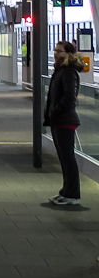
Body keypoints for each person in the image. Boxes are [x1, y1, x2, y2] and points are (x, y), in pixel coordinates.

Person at [44, 40, 84, 205]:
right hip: (58, 119)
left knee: (68, 158)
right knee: (63, 157)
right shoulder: (61, 70)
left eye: (60, 51)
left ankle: (72, 194)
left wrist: (56, 111)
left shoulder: (68, 71)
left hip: (65, 120)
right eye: (55, 50)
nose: (56, 53)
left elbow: (69, 97)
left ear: (69, 54)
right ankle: (66, 191)